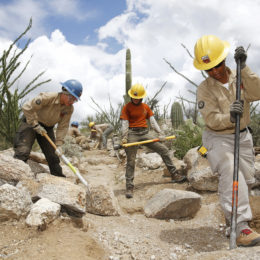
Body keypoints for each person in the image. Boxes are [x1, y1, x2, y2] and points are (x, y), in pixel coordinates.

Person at [193, 35, 260, 247]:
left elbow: (257, 92)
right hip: (217, 137)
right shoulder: (204, 88)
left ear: (225, 59)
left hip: (243, 136)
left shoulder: (239, 76)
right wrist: (229, 117)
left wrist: (244, 67)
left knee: (247, 179)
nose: (215, 71)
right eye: (209, 69)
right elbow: (211, 119)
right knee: (231, 170)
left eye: (218, 65)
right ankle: (240, 227)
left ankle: (234, 217)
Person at [120, 83, 186, 199]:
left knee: (164, 150)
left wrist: (160, 133)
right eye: (134, 97)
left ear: (142, 97)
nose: (136, 99)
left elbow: (153, 121)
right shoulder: (127, 107)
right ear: (131, 97)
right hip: (132, 134)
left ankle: (174, 174)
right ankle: (129, 186)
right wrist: (124, 137)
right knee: (131, 160)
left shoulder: (145, 107)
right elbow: (125, 123)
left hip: (145, 133)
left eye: (138, 97)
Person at [13, 79, 83, 177]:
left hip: (47, 128)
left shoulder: (69, 109)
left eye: (75, 100)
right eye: (71, 98)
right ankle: (15, 177)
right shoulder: (49, 97)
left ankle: (58, 178)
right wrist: (35, 124)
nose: (72, 102)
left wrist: (59, 145)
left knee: (53, 156)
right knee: (23, 151)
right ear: (64, 92)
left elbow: (63, 127)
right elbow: (26, 107)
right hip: (30, 122)